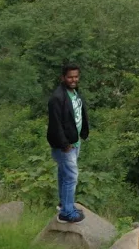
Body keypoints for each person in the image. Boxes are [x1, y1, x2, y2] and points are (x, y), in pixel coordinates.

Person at [47, 63, 89, 223]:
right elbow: (55, 125)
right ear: (63, 77)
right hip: (65, 146)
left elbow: (78, 114)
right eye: (70, 77)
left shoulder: (74, 92)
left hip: (74, 142)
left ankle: (65, 204)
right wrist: (64, 144)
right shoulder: (57, 98)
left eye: (76, 76)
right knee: (71, 176)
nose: (74, 79)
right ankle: (66, 213)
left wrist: (82, 134)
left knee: (64, 175)